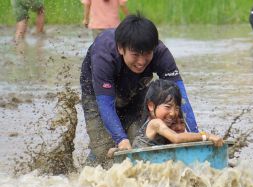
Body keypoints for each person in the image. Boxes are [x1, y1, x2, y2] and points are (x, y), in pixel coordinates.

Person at [80, 14, 199, 167]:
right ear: (121, 48)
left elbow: (181, 99)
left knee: (141, 147)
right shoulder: (104, 55)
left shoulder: (161, 53)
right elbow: (105, 104)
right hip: (98, 96)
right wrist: (120, 139)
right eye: (135, 54)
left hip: (135, 91)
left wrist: (194, 135)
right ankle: (84, 174)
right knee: (105, 150)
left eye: (147, 54)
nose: (141, 62)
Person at [132, 79, 224, 149]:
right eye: (168, 107)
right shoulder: (155, 123)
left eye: (176, 108)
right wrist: (206, 136)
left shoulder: (164, 126)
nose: (173, 113)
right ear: (151, 106)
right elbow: (176, 138)